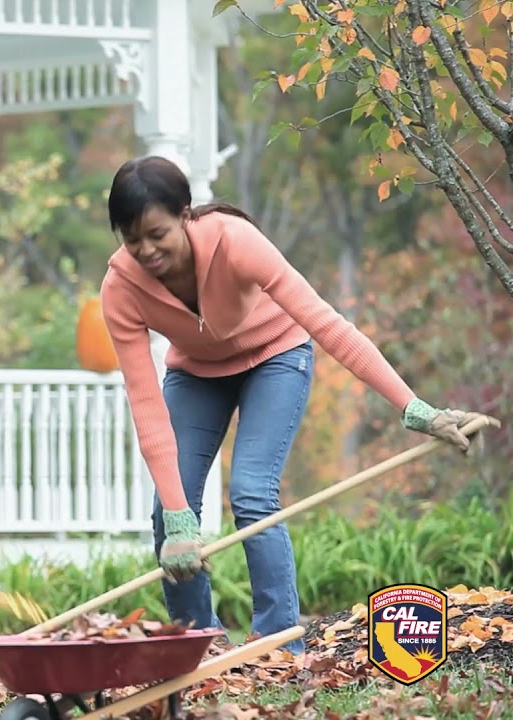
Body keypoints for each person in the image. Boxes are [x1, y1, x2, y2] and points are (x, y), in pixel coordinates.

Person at [98, 155, 488, 653]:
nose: (146, 250)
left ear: (184, 214)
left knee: (252, 492)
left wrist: (415, 409)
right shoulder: (120, 290)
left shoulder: (235, 241)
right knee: (169, 511)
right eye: (133, 241)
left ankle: (279, 643)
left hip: (275, 357)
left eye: (158, 234)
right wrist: (178, 519)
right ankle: (194, 641)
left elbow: (326, 323)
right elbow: (145, 402)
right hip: (198, 373)